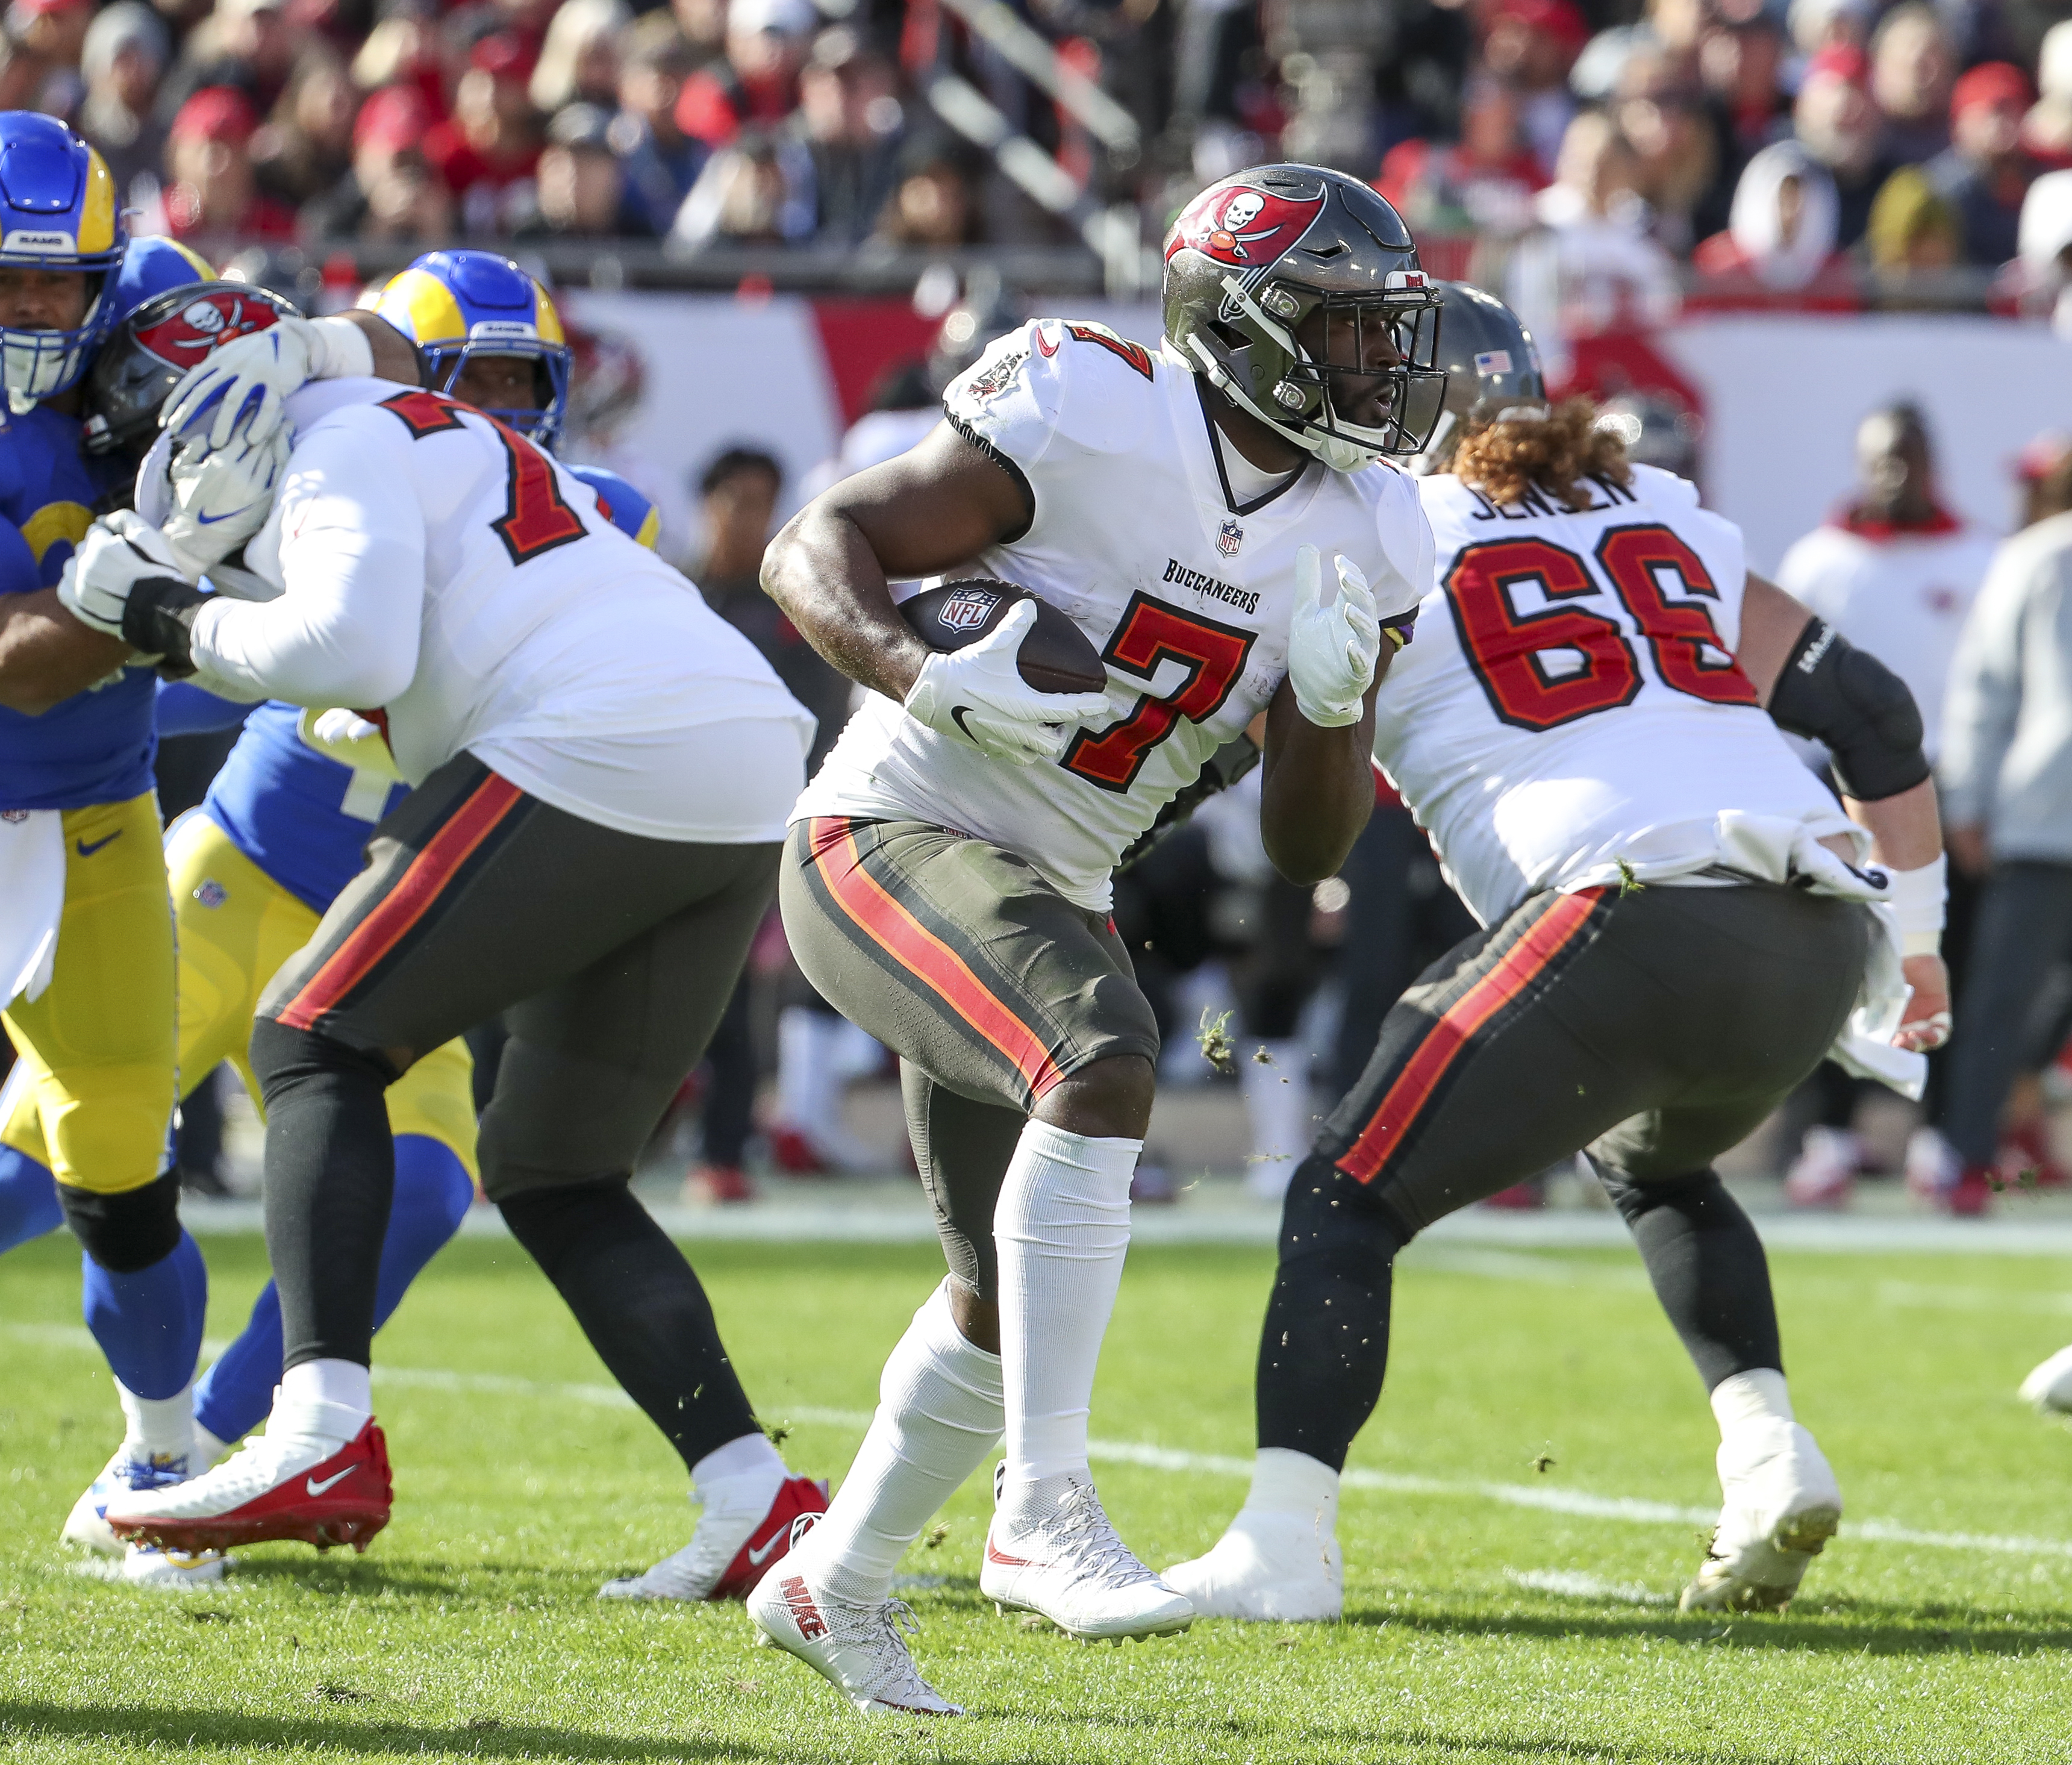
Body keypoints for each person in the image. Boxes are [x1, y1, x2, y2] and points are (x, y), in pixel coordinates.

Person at [747, 163, 1440, 1715]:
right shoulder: (1091, 404)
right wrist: (918, 673)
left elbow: (1307, 846)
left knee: (997, 1294)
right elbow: (816, 545)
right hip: (891, 828)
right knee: (1106, 1054)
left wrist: (1330, 706)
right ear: (1249, 326)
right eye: (1346, 331)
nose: (1381, 368)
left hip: (1051, 884)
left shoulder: (1374, 524)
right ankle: (1040, 1508)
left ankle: (832, 1580)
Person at [1163, 283, 1952, 1625]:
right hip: (1818, 921)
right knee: (1656, 1164)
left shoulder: (1372, 532)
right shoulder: (1659, 510)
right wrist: (1918, 944)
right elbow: (1871, 711)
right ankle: (1769, 1455)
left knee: (1341, 1201)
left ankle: (1283, 1539)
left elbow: (1228, 761)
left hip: (1626, 904)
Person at [83, 250, 829, 1615]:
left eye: (152, 431)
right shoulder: (412, 430)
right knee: (553, 1168)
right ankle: (750, 1492)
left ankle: (315, 1433)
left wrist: (177, 617)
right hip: (739, 757)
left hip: (607, 738)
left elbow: (350, 651)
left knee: (311, 1031)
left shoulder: (338, 435)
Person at [0, 117, 305, 1591]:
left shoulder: (169, 307)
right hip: (35, 742)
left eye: (59, 289)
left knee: (121, 1146)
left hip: (91, 813)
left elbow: (329, 348)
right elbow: (22, 666)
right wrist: (161, 566)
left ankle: (163, 1454)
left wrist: (299, 363)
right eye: (5, 283)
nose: (32, 315)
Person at [1774, 404, 1994, 1207]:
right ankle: (1830, 1135)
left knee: (1946, 964)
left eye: (1909, 455)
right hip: (1844, 792)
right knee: (1843, 967)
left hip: (1944, 792)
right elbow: (1777, 685)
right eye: (1881, 458)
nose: (1895, 472)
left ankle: (1937, 1135)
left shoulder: (1979, 557)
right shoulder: (1821, 561)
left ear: (1934, 461)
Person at [1916, 449, 2072, 1215]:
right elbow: (1983, 685)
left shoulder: (2030, 555)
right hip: (2044, 815)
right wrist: (1968, 798)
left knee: (2007, 1001)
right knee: (1999, 998)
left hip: (2041, 811)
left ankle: (1979, 1149)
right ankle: (1966, 1152)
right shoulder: (2036, 558)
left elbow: (1981, 687)